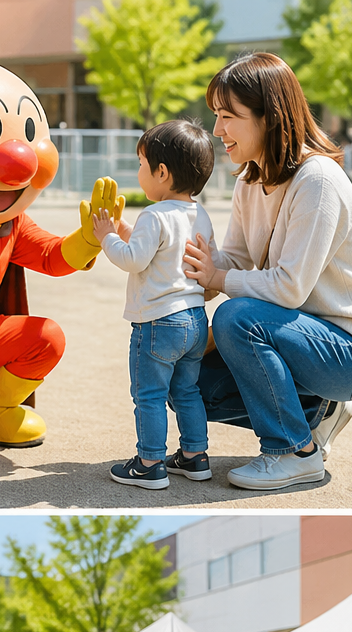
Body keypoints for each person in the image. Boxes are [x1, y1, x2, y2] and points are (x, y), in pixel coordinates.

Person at [182, 52, 352, 490]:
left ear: (269, 117)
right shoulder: (249, 180)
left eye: (228, 116)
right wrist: (188, 263)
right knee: (189, 378)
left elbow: (288, 288)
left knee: (238, 318)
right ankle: (314, 413)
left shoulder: (318, 180)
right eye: (216, 115)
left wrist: (220, 280)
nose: (218, 131)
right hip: (297, 336)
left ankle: (295, 452)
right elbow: (232, 259)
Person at [91, 120, 218, 489]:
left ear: (162, 172)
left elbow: (133, 260)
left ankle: (149, 462)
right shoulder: (200, 214)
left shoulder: (154, 215)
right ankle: (195, 457)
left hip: (158, 323)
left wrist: (107, 238)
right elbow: (162, 253)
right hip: (194, 320)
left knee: (149, 394)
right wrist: (126, 232)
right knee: (186, 391)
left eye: (142, 165)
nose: (139, 172)